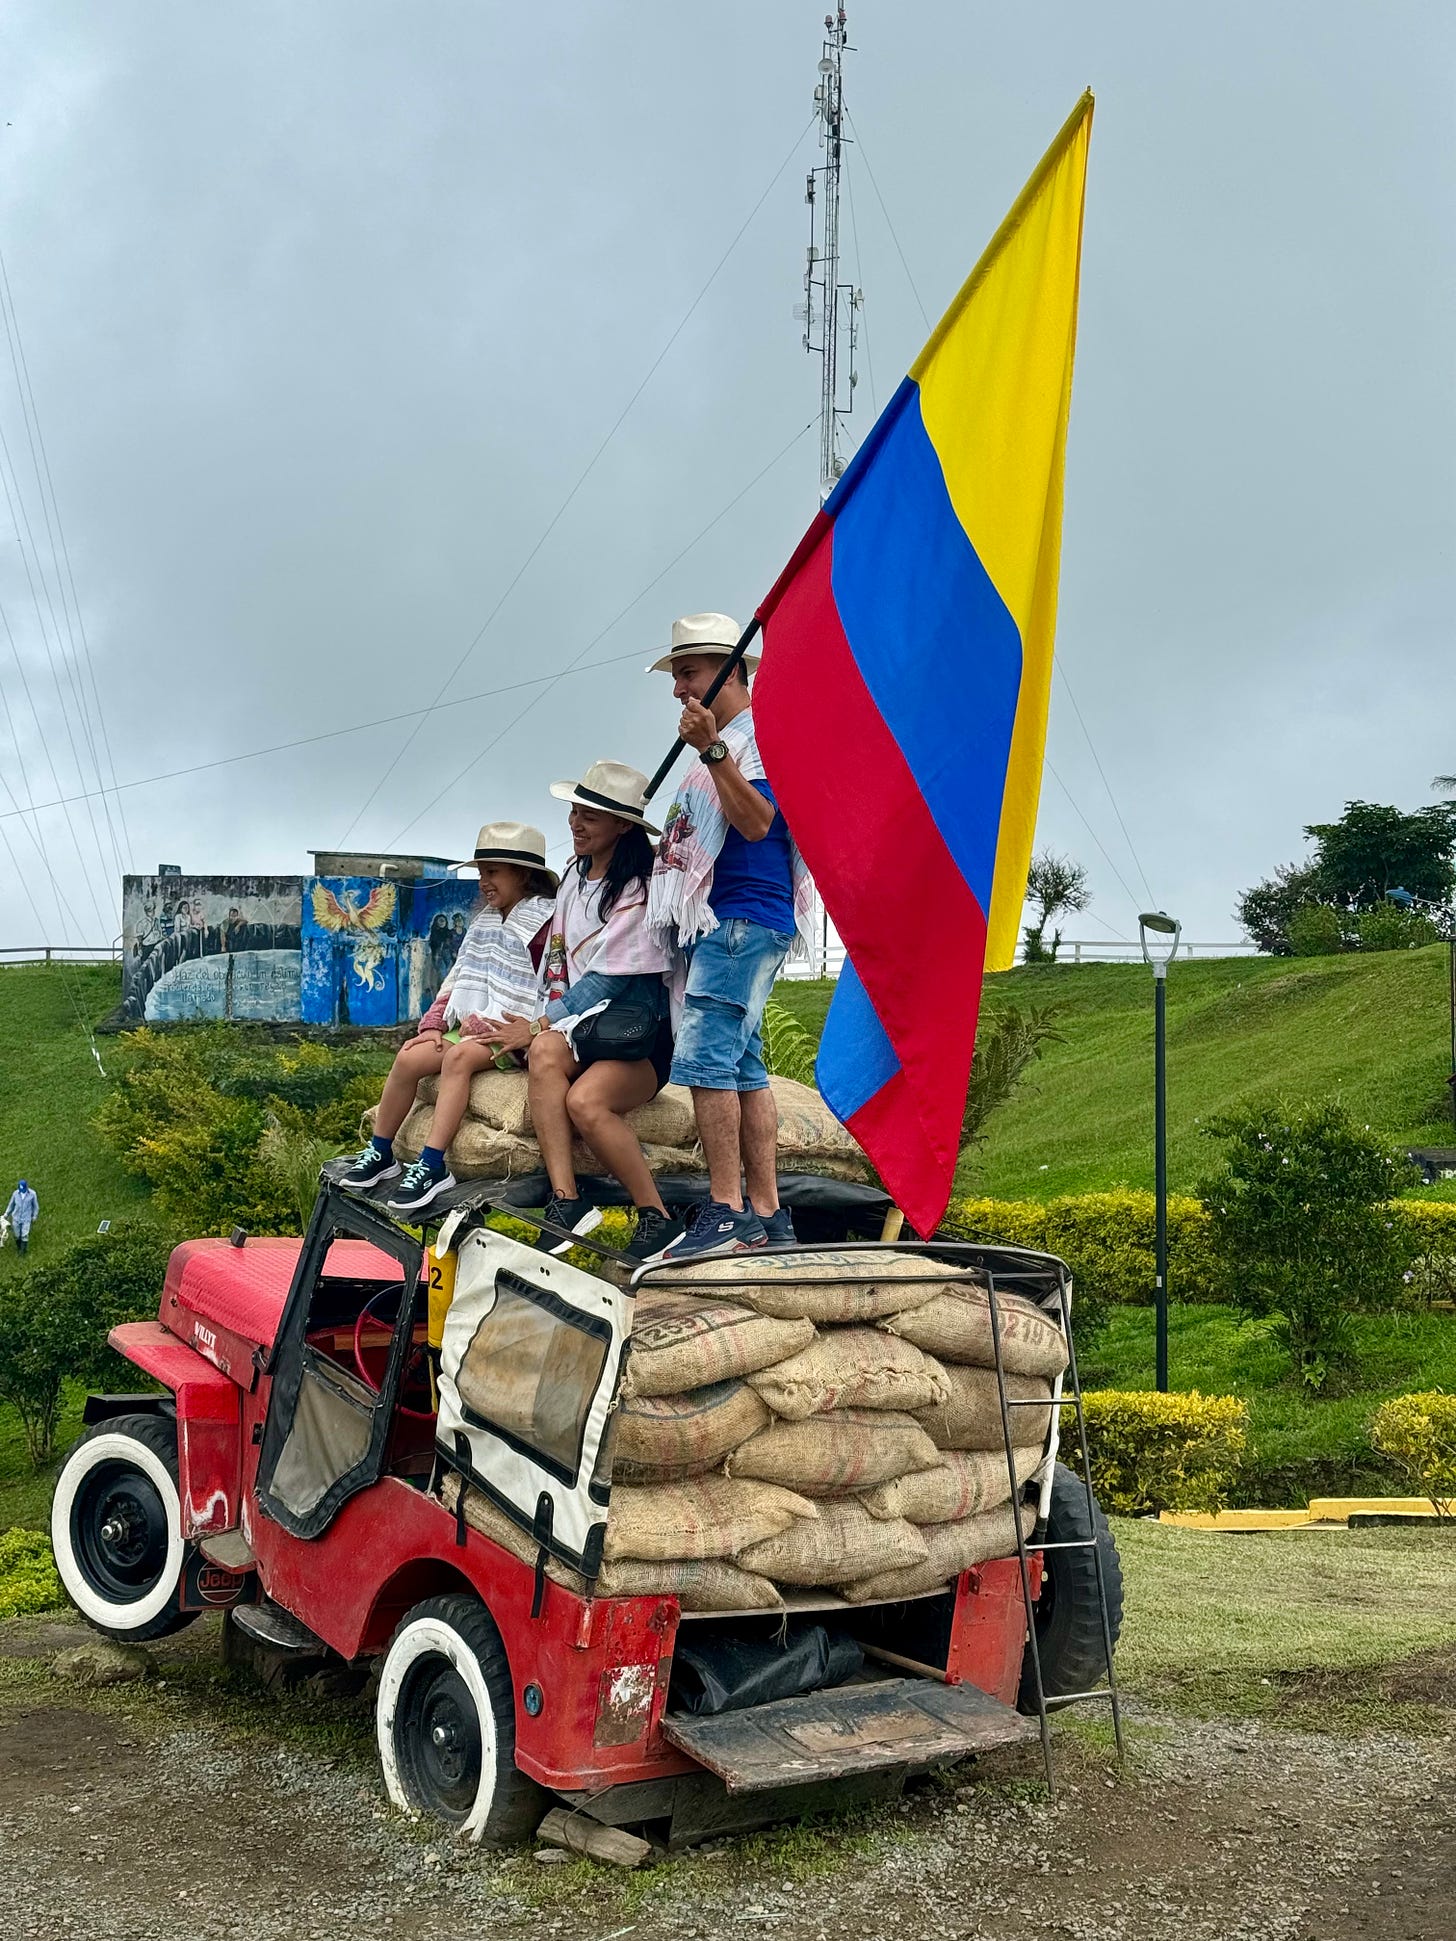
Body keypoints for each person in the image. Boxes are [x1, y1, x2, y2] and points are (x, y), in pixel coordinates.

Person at [644, 612, 811, 1259]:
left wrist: (713, 751)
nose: (678, 688)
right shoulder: (738, 739)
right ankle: (768, 1214)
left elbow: (756, 821)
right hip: (736, 921)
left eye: (688, 672)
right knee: (744, 1068)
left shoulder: (753, 738)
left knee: (708, 1062)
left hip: (739, 919)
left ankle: (726, 1210)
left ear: (729, 671)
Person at [479, 761, 684, 1263]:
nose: (576, 822)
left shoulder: (636, 889)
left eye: (591, 815)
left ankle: (656, 1216)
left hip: (634, 1037)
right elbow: (560, 959)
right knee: (546, 1052)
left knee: (585, 1103)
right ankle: (566, 1201)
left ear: (623, 826)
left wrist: (540, 1023)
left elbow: (611, 978)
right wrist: (539, 1020)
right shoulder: (573, 877)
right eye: (575, 811)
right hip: (581, 1028)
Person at [339, 823, 559, 1212]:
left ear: (523, 874)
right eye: (480, 873)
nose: (483, 883)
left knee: (458, 1058)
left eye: (492, 872)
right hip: (474, 1026)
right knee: (409, 1059)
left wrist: (533, 1030)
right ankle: (381, 1152)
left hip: (514, 1030)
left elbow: (556, 985)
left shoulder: (546, 924)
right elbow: (457, 978)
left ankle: (432, 1164)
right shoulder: (484, 923)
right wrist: (434, 1025)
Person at [5, 1179, 38, 1256]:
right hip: (16, 1218)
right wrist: (6, 1214)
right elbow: (11, 1205)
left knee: (24, 1234)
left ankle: (22, 1252)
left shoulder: (32, 1194)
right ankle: (19, 1247)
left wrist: (34, 1216)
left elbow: (36, 1206)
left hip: (26, 1218)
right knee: (17, 1235)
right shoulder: (15, 1194)